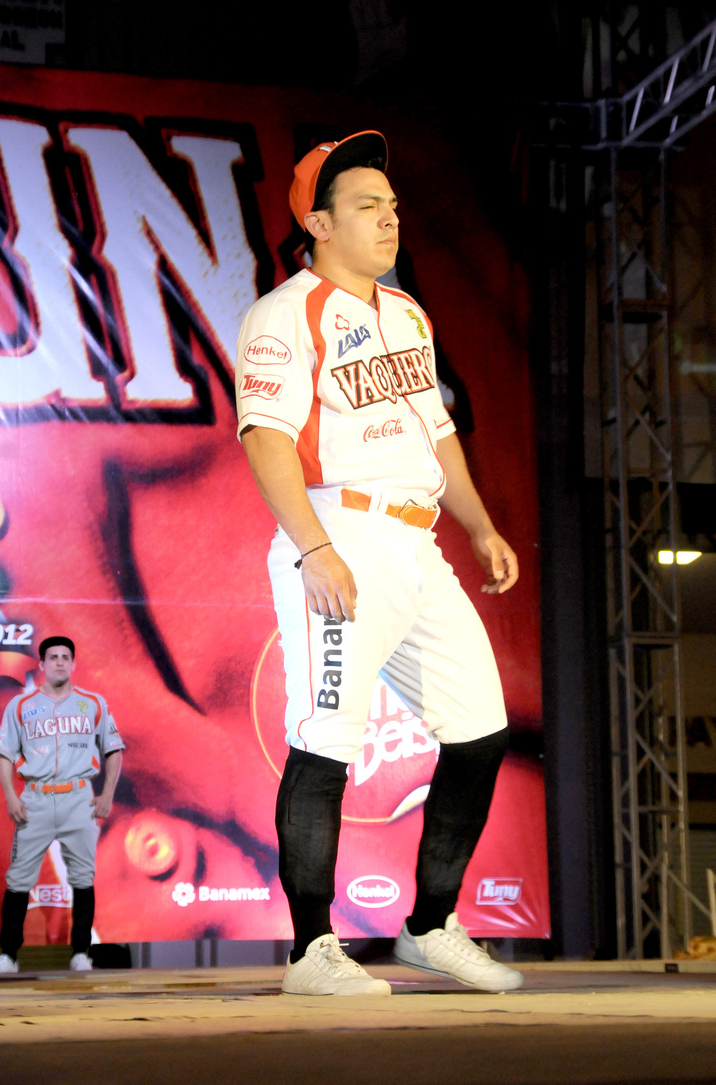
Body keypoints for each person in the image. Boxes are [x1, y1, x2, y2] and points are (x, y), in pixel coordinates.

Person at [235, 131, 524, 996]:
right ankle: (311, 950)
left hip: (417, 537)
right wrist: (315, 549)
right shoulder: (286, 310)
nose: (389, 218)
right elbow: (266, 437)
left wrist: (477, 527)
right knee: (324, 740)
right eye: (368, 205)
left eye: (393, 205)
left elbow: (438, 433)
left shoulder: (406, 313)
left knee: (481, 729)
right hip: (340, 530)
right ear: (319, 222)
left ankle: (431, 922)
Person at [0, 636, 124, 974]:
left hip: (78, 798)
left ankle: (81, 951)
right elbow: (4, 753)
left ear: (74, 663)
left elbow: (113, 749)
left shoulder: (93, 703)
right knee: (19, 878)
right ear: (40, 664)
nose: (59, 662)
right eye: (52, 657)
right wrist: (10, 795)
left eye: (65, 657)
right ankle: (8, 954)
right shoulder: (21, 706)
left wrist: (107, 795)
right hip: (35, 798)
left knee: (82, 877)